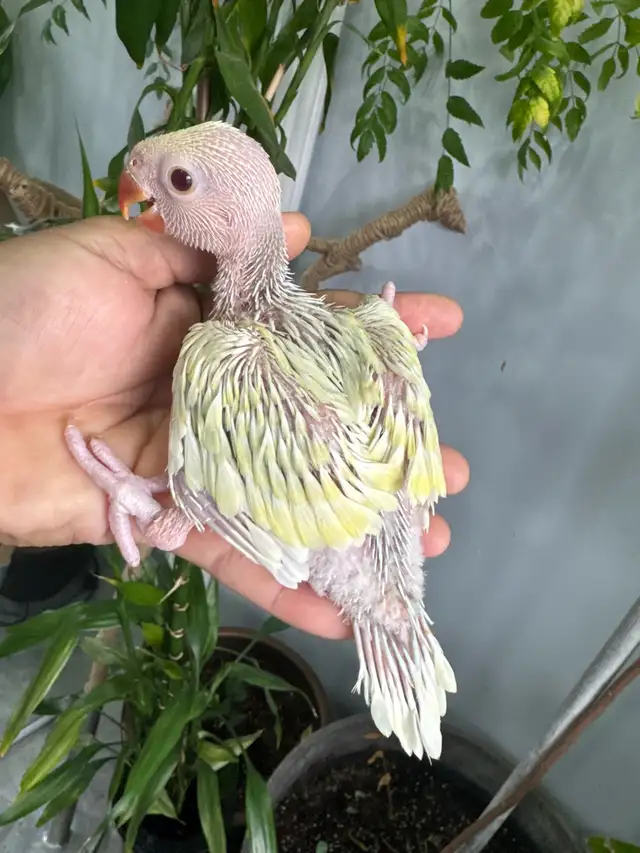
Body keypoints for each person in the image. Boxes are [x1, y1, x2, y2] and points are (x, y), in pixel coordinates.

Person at [0, 213, 469, 639]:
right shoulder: (229, 353)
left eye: (178, 182)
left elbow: (206, 489)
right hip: (335, 506)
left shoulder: (220, 353)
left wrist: (375, 349)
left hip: (339, 518)